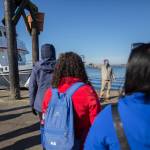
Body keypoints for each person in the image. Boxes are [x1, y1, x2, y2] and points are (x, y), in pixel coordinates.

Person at [84, 43, 150, 150]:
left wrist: (114, 77)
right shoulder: (102, 66)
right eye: (106, 61)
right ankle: (102, 97)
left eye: (107, 61)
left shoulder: (107, 117)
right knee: (102, 90)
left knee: (109, 90)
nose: (107, 62)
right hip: (103, 80)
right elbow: (95, 66)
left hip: (109, 80)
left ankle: (107, 96)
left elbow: (112, 73)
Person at [42, 52, 101, 149]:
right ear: (80, 69)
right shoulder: (87, 91)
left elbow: (44, 119)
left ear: (58, 69)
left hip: (52, 144)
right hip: (80, 144)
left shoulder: (50, 92)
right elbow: (96, 124)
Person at [29, 43, 56, 120]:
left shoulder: (37, 67)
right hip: (56, 102)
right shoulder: (59, 67)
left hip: (40, 103)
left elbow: (32, 87)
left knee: (43, 124)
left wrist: (32, 104)